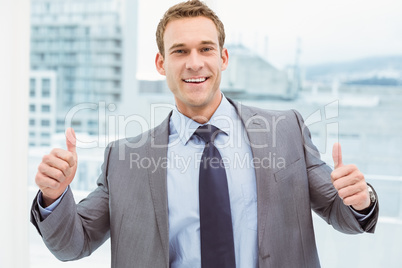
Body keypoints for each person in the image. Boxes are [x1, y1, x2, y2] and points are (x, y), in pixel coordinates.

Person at [31, 0, 379, 267]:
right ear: (161, 64)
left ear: (223, 57)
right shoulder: (123, 160)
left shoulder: (286, 130)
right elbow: (72, 243)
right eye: (179, 51)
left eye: (206, 49)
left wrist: (359, 201)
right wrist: (54, 198)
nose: (194, 62)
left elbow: (340, 212)